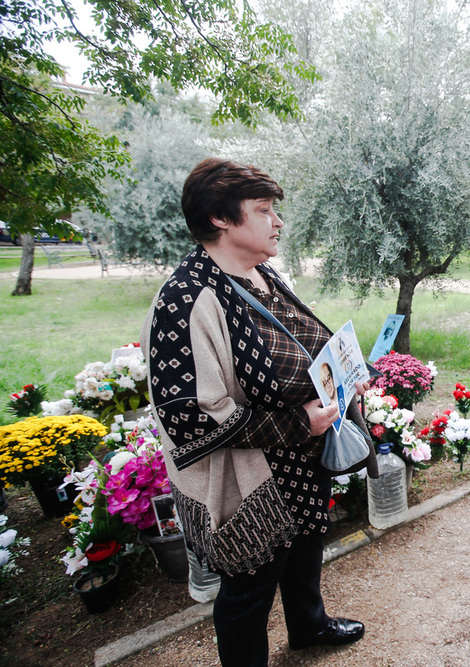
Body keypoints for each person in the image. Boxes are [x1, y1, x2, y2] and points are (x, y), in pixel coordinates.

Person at [140, 158, 371, 666]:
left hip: (301, 459)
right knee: (249, 589)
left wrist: (348, 371)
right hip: (250, 478)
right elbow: (189, 417)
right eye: (263, 210)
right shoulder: (185, 298)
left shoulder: (259, 272)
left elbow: (302, 340)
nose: (278, 221)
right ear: (221, 218)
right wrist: (297, 423)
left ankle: (309, 627)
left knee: (307, 548)